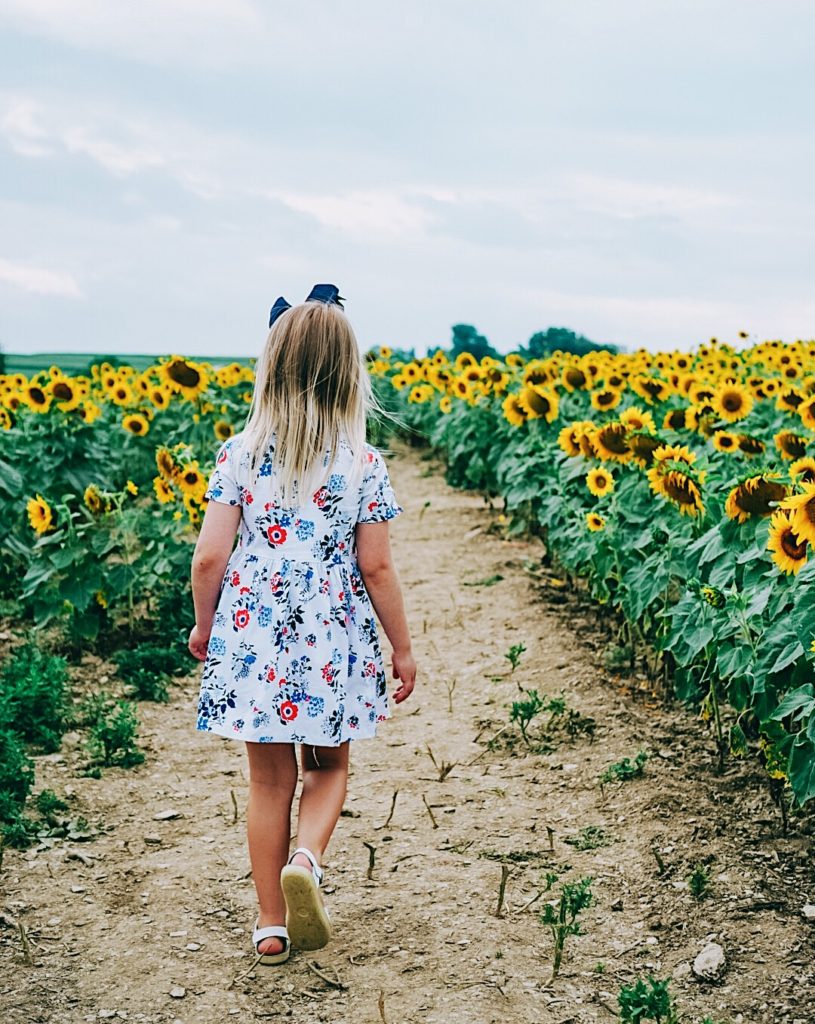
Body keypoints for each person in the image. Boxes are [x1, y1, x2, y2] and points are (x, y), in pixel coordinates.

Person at [188, 289, 416, 966]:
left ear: (270, 365)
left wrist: (206, 627)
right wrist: (401, 649)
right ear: (349, 371)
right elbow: (375, 567)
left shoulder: (239, 452)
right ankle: (307, 859)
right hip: (330, 633)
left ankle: (269, 924)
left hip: (253, 630)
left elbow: (208, 557)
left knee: (266, 783)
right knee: (328, 763)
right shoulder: (362, 462)